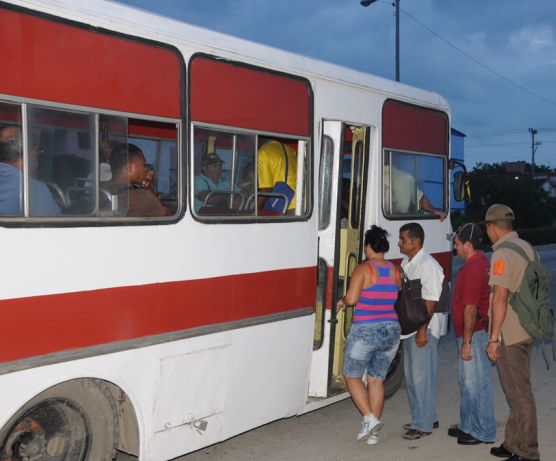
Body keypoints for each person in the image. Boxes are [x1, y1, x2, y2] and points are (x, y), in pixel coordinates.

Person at [484, 204, 540, 461]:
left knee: (519, 394)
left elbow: (500, 297)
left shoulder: (503, 254)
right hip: (528, 327)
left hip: (510, 333)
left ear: (492, 227)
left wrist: (494, 339)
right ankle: (512, 443)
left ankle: (528, 452)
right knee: (516, 389)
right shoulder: (526, 247)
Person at [336, 226, 401, 446]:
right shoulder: (394, 269)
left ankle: (370, 419)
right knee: (376, 379)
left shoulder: (364, 269)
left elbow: (353, 298)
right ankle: (373, 434)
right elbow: (395, 294)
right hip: (391, 330)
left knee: (351, 375)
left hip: (366, 329)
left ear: (368, 246)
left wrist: (342, 302)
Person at [398, 222, 446, 440]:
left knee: (421, 377)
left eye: (403, 239)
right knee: (412, 377)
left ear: (416, 241)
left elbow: (431, 301)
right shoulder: (407, 263)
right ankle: (425, 417)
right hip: (410, 328)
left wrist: (422, 330)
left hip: (423, 328)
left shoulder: (428, 265)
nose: (399, 243)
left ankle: (423, 424)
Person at [449, 223, 496, 445]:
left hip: (474, 334)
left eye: (457, 243)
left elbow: (470, 308)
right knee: (467, 382)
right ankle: (468, 425)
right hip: (474, 332)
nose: (455, 247)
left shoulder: (473, 269)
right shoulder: (479, 263)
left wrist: (466, 341)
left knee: (476, 383)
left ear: (468, 244)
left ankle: (483, 431)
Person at [0, 125, 61, 216]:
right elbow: (56, 227)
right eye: (36, 148)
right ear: (21, 150)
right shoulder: (33, 189)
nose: (38, 153)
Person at [103, 143, 170, 217]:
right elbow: (168, 216)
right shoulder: (144, 198)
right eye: (143, 165)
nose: (146, 169)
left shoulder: (101, 189)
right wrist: (149, 189)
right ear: (130, 168)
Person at [257, 140, 297, 212]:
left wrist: (253, 211)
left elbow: (266, 190)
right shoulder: (290, 149)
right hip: (300, 202)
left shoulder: (263, 153)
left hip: (285, 206)